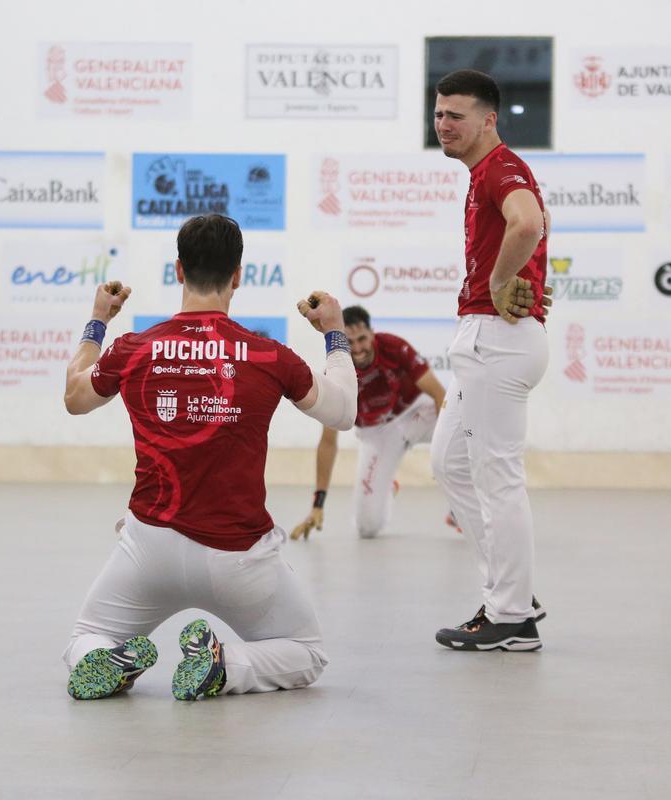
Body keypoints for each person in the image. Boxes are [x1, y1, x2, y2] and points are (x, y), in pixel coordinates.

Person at [60, 214, 357, 701]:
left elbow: (75, 396)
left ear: (179, 270)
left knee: (87, 636)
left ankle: (105, 657)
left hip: (148, 550)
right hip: (237, 556)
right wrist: (334, 332)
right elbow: (344, 411)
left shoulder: (134, 348)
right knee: (306, 651)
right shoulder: (268, 355)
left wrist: (98, 321)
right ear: (238, 275)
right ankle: (223, 664)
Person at [428, 69, 550, 652]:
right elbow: (524, 231)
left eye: (456, 115)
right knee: (450, 462)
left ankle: (511, 617)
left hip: (497, 342)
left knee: (497, 478)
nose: (443, 124)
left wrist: (501, 282)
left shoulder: (501, 168)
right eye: (438, 114)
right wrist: (516, 280)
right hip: (489, 339)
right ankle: (512, 592)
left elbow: (528, 223)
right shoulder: (486, 173)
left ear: (489, 120)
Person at [290, 304, 450, 541]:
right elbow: (328, 442)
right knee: (367, 527)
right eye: (349, 342)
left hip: (416, 414)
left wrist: (443, 457)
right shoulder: (336, 375)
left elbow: (439, 395)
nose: (357, 348)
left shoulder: (394, 347)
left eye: (362, 339)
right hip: (378, 436)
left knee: (462, 419)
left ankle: (462, 504)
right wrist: (317, 504)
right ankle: (385, 486)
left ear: (372, 333)